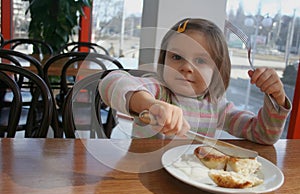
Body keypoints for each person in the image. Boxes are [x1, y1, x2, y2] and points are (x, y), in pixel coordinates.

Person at [99, 18, 291, 145]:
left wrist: (277, 98)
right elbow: (110, 83)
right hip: (146, 178)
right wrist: (150, 104)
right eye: (176, 57)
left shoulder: (217, 107)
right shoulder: (158, 91)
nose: (186, 67)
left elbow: (263, 134)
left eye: (200, 61)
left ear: (217, 71)